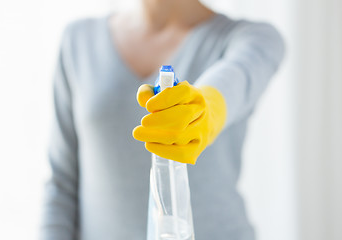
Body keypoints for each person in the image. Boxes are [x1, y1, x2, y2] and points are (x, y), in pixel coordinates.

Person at [40, 0, 285, 239]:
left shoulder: (252, 38)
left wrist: (205, 110)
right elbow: (62, 182)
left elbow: (237, 79)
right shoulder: (79, 41)